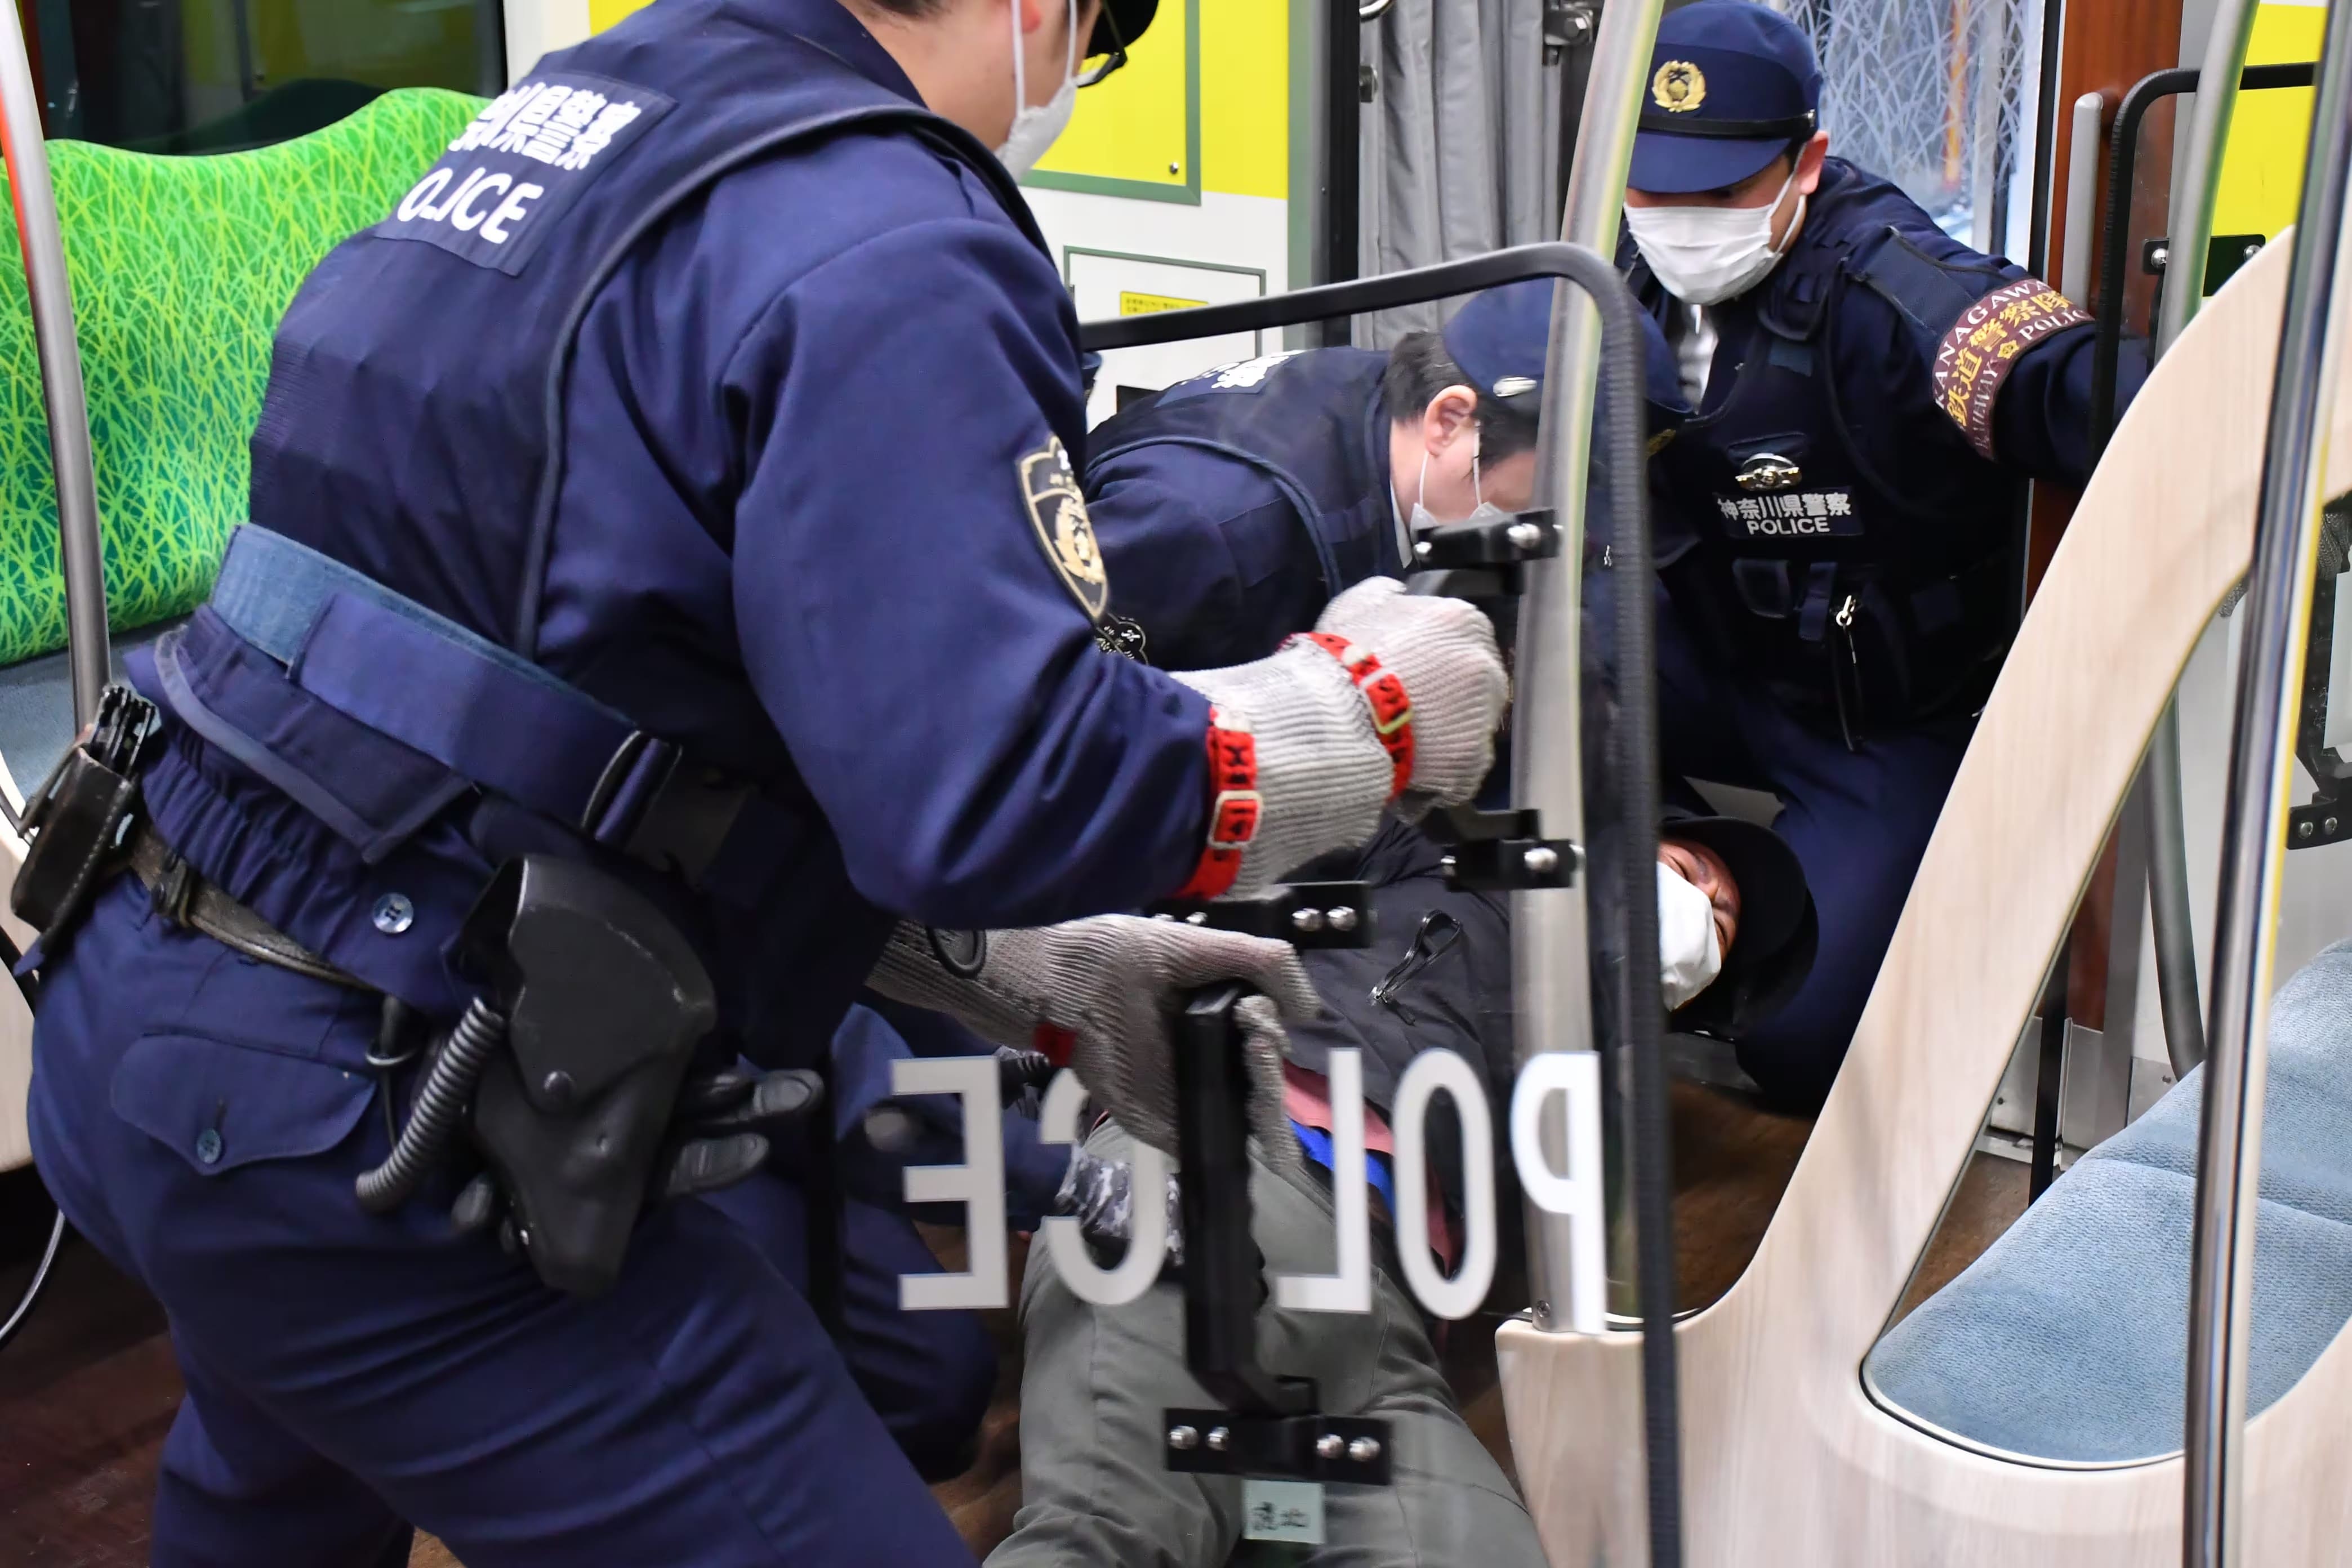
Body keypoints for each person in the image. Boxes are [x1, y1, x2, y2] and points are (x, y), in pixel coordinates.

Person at [19, 0, 1516, 1563]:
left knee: (275, 1482)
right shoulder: (888, 240)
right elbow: (1000, 783)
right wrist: (1364, 716)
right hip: (368, 1117)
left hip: (144, 988)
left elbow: (576, 711)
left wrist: (1037, 971)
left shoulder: (562, 125)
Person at [985, 291, 1816, 1566]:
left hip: (1373, 1307)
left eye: (1715, 934)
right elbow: (1029, 780)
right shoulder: (1250, 568)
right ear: (1452, 419)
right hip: (1191, 1154)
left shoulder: (1581, 1092)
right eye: (1695, 874)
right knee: (1107, 1530)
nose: (1692, 914)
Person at [1619, 0, 2144, 1108]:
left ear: (1806, 163)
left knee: (1795, 1041)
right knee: (1494, 658)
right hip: (1705, 667)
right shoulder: (1614, 278)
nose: (1679, 224)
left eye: (1718, 197)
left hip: (1871, 723)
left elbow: (2067, 382)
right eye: (1653, 191)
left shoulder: (1896, 289)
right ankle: (1676, 861)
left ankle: (1756, 902)